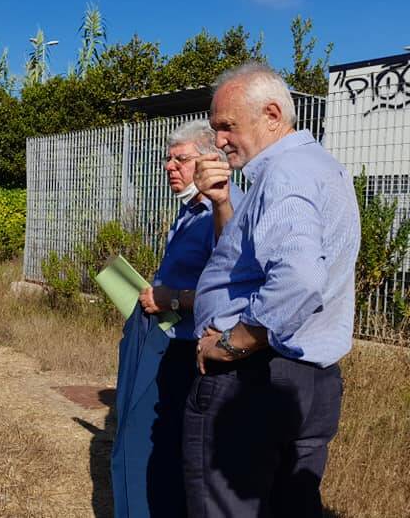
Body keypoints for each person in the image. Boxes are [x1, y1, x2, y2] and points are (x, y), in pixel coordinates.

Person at [187, 62, 360, 517]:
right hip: (311, 382)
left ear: (271, 114)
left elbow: (300, 279)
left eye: (227, 126)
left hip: (255, 383)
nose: (220, 140)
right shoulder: (324, 168)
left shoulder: (284, 174)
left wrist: (233, 342)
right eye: (215, 128)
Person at [111, 120, 242, 518]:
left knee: (158, 446)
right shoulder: (190, 211)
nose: (170, 166)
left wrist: (175, 299)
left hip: (189, 347)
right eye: (168, 158)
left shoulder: (221, 212)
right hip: (166, 338)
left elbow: (233, 286)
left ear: (210, 161)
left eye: (181, 159)